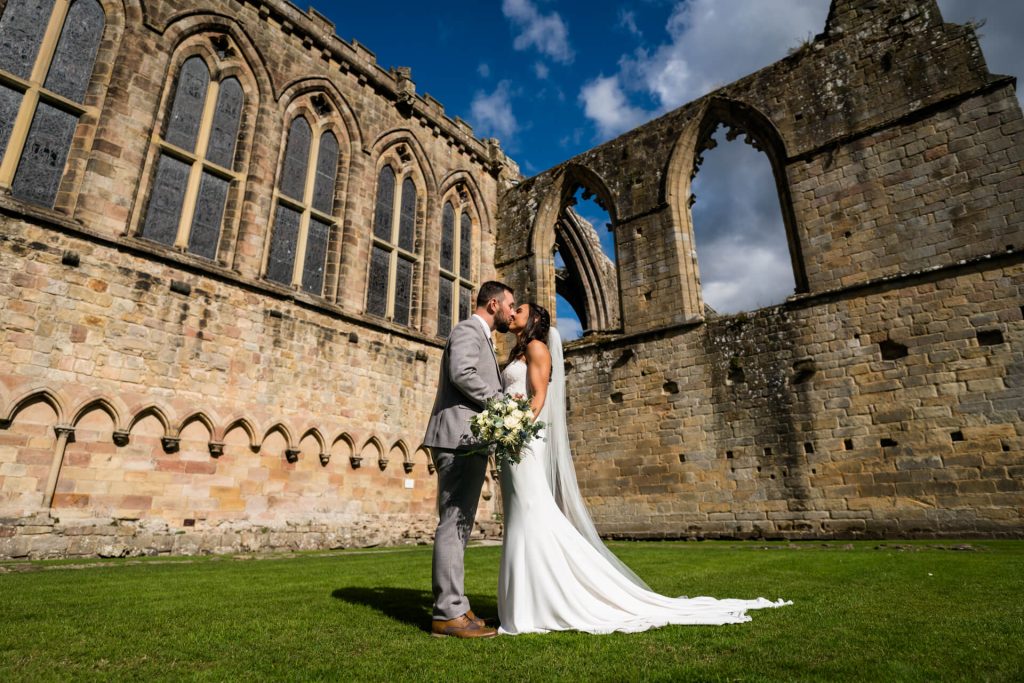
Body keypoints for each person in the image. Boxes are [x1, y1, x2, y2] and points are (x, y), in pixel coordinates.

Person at [497, 302, 791, 635]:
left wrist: (515, 430)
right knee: (521, 514)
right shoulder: (518, 350)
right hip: (510, 439)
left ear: (534, 319)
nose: (512, 312)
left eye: (519, 309)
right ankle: (531, 601)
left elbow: (538, 398)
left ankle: (540, 602)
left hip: (521, 439)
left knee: (531, 513)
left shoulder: (537, 347)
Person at [422, 280, 515, 639]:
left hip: (468, 440)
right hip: (458, 439)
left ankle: (456, 606)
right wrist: (501, 403)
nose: (511, 311)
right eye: (509, 305)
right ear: (493, 304)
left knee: (459, 527)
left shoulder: (482, 336)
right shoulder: (467, 330)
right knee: (453, 525)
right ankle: (447, 613)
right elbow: (461, 373)